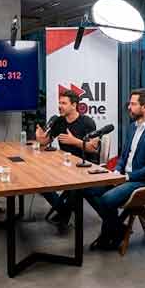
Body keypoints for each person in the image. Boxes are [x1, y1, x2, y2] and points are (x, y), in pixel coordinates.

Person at [83, 88, 145, 250]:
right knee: (88, 189)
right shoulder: (132, 127)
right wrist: (117, 171)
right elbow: (124, 155)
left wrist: (128, 177)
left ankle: (109, 236)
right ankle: (120, 230)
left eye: (133, 104)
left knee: (107, 200)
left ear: (144, 107)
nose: (129, 107)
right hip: (125, 175)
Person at [35, 89, 100, 233]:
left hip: (85, 165)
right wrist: (40, 138)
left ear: (74, 105)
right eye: (59, 103)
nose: (60, 106)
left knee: (75, 188)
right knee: (41, 183)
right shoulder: (59, 121)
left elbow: (93, 148)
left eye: (64, 103)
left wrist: (74, 141)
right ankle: (64, 211)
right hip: (65, 164)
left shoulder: (87, 122)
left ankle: (63, 215)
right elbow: (45, 142)